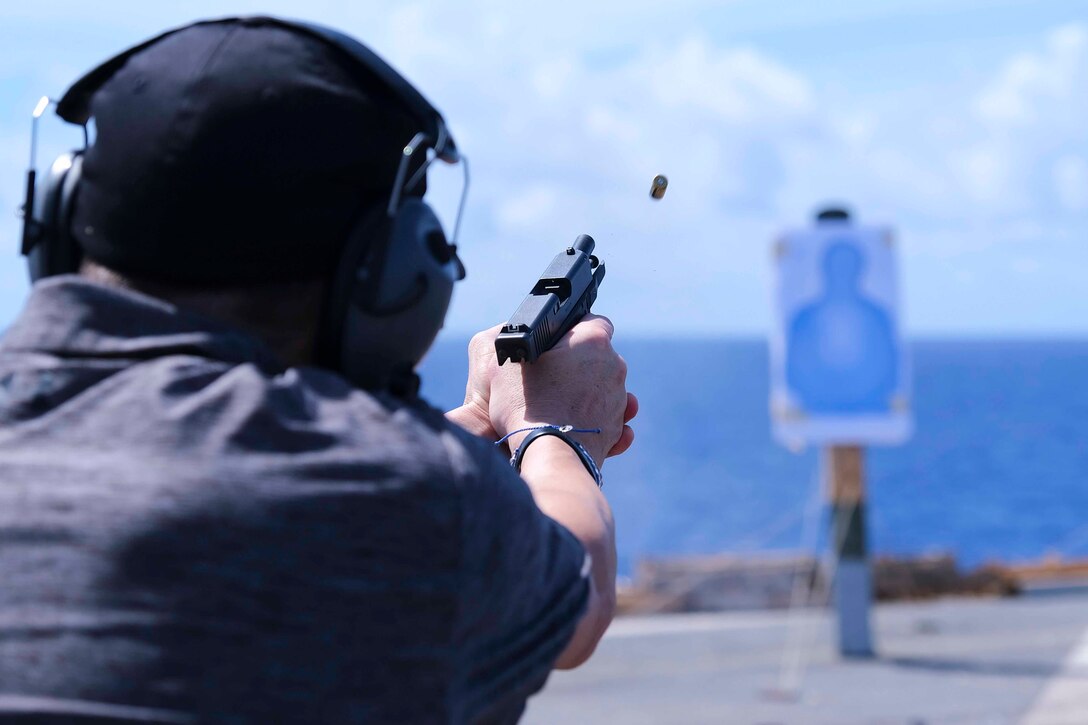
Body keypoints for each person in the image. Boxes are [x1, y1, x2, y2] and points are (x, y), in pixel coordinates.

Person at [0, 16, 635, 724]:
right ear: (390, 277)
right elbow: (578, 588)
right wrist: (556, 428)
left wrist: (462, 439)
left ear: (54, 226)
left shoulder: (405, 480)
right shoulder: (411, 495)